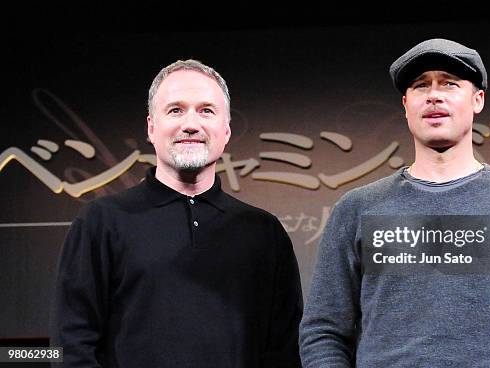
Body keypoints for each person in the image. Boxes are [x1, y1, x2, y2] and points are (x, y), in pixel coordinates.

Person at [299, 39, 490, 367]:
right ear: (406, 104)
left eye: (450, 83)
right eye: (421, 85)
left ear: (478, 100)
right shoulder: (357, 209)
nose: (434, 94)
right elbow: (323, 330)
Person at [50, 59, 303, 367]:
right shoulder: (101, 221)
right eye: (175, 110)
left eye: (206, 110)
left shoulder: (264, 232)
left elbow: (284, 348)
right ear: (151, 127)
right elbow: (72, 343)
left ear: (225, 130)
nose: (191, 124)